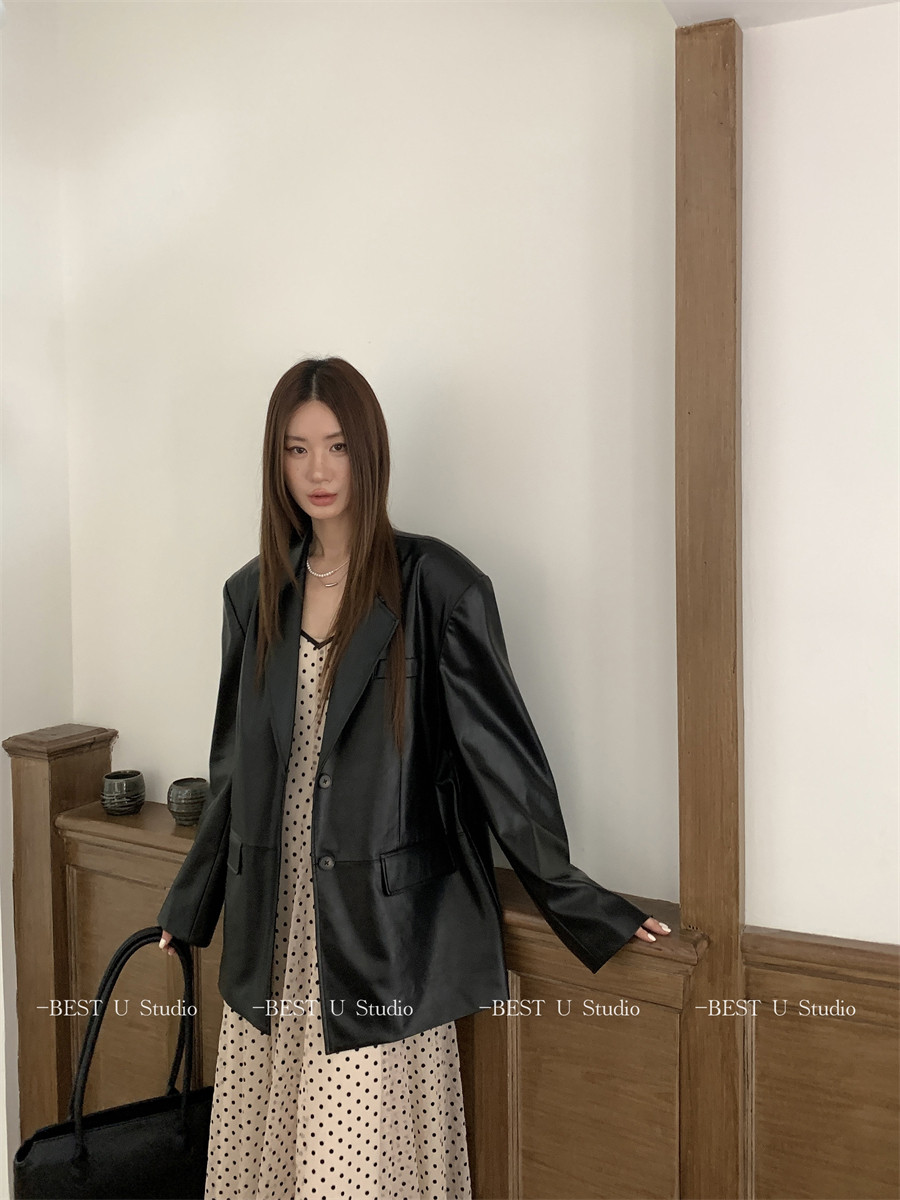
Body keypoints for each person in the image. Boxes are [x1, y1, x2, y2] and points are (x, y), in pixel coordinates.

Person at [157, 356, 670, 1199]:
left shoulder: (437, 586)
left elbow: (503, 763)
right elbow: (234, 768)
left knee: (349, 1174)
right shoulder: (253, 595)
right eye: (295, 449)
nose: (318, 470)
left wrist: (579, 899)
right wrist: (190, 904)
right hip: (273, 933)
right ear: (275, 461)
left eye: (336, 446)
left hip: (379, 940)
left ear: (369, 451)